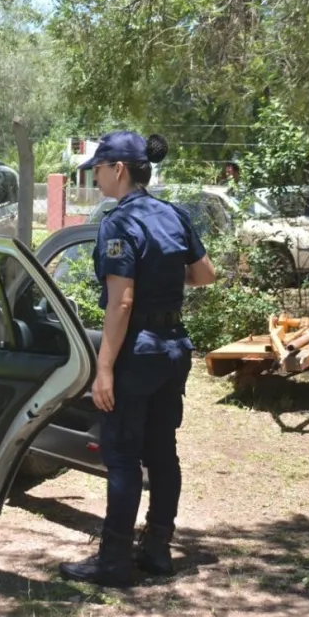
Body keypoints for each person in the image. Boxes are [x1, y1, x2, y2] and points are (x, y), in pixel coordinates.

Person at [59, 131, 217, 587]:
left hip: (139, 352)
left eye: (98, 168)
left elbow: (121, 303)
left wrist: (103, 368)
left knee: (124, 458)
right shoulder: (173, 214)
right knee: (163, 452)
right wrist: (163, 282)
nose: (95, 175)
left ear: (119, 170)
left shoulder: (119, 222)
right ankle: (157, 551)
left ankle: (112, 563)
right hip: (174, 349)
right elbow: (205, 274)